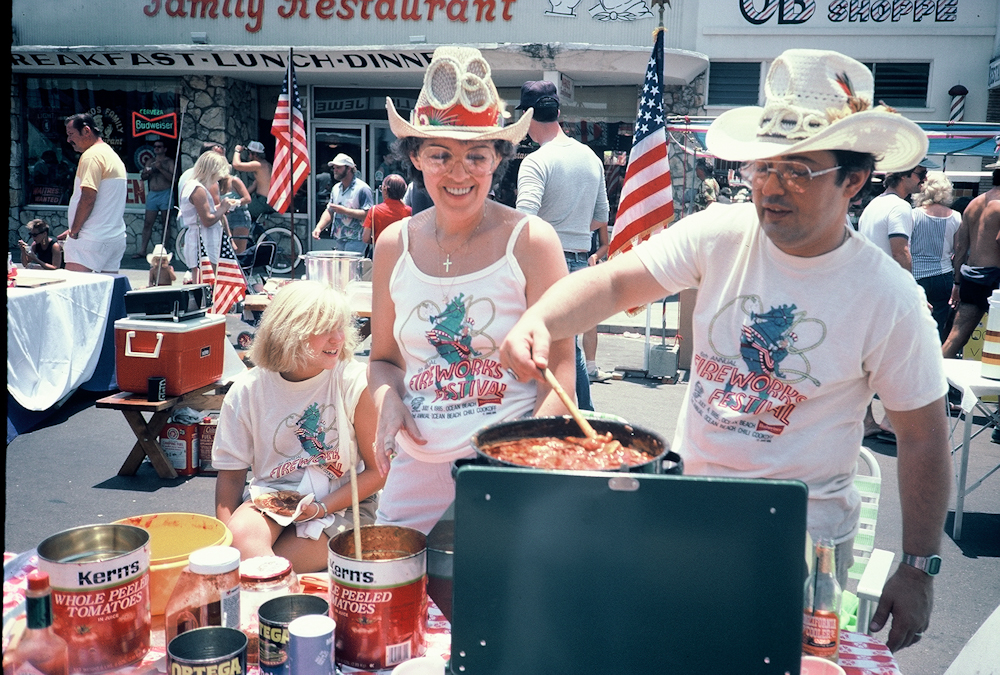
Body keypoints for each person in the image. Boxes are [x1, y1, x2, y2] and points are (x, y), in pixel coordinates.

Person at [500, 49, 949, 654]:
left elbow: (922, 434)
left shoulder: (890, 298)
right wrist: (539, 318)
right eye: (763, 168)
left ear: (854, 179)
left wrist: (918, 567)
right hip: (684, 511)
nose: (771, 187)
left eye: (798, 170)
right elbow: (616, 281)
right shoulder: (722, 231)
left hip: (799, 541)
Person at [369, 46, 575, 535]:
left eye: (475, 156)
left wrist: (518, 465)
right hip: (415, 469)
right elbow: (383, 360)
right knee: (397, 600)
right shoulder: (392, 245)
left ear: (497, 159)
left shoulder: (531, 241)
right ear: (416, 156)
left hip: (509, 464)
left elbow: (563, 373)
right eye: (440, 154)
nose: (458, 173)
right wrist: (387, 400)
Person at [212, 281, 383, 572]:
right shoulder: (248, 389)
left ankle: (278, 609)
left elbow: (379, 471)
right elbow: (230, 477)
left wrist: (321, 507)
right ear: (290, 332)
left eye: (341, 327)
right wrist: (225, 545)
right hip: (271, 497)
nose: (338, 338)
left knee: (280, 566)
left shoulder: (354, 382)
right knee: (244, 549)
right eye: (325, 329)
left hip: (343, 502)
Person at [514, 80, 612, 407]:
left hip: (545, 264)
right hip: (580, 260)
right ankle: (581, 417)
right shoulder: (591, 158)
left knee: (559, 348)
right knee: (567, 347)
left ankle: (582, 418)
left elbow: (524, 219)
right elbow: (601, 218)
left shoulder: (536, 162)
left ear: (527, 119)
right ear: (557, 112)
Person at [857, 160, 928, 439]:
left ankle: (868, 420)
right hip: (886, 292)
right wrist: (912, 292)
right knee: (904, 354)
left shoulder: (874, 204)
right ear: (904, 176)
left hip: (868, 289)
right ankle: (890, 419)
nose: (923, 180)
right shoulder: (900, 207)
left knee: (868, 359)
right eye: (920, 174)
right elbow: (900, 251)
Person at [942, 162, 1000, 358]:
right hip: (995, 279)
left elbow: (960, 247)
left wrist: (957, 283)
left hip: (971, 277)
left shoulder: (973, 204)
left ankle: (933, 385)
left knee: (955, 337)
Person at [58, 113, 127, 273]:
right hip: (113, 238)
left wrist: (74, 232)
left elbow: (88, 198)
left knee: (74, 293)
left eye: (71, 134)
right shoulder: (111, 155)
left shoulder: (91, 156)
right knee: (105, 294)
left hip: (90, 240)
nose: (68, 140)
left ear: (86, 130)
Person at [911, 171, 962, 342]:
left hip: (917, 276)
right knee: (938, 325)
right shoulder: (955, 217)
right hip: (943, 275)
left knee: (914, 323)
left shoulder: (914, 215)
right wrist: (957, 282)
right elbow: (958, 250)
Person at [179, 151, 233, 281]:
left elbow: (200, 212)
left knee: (203, 279)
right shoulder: (198, 189)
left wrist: (219, 208)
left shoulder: (191, 185)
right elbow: (207, 220)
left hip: (199, 237)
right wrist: (223, 208)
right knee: (210, 280)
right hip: (204, 239)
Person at [312, 154, 373, 254]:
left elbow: (368, 215)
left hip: (356, 238)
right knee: (341, 269)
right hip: (339, 238)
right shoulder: (336, 188)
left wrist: (344, 211)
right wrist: (319, 228)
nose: (335, 170)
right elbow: (329, 211)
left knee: (349, 269)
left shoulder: (362, 189)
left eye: (338, 167)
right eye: (334, 167)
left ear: (349, 168)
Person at [135, 140, 176, 259]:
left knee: (165, 222)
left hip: (165, 193)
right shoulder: (150, 161)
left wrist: (161, 169)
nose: (157, 148)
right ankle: (142, 250)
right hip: (153, 194)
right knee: (148, 223)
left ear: (165, 149)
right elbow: (142, 176)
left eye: (159, 146)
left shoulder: (169, 162)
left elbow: (173, 179)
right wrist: (149, 172)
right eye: (155, 146)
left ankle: (164, 250)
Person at [362, 173, 410, 248]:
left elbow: (366, 238)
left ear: (385, 190)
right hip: (401, 252)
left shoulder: (374, 210)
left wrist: (377, 240)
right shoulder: (409, 211)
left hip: (380, 251)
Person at [233, 141, 274, 222]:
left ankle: (241, 234)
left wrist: (237, 151)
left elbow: (236, 165)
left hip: (262, 201)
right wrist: (242, 196)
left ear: (255, 154)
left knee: (238, 212)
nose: (248, 156)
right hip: (266, 201)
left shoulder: (258, 165)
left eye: (249, 153)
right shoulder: (267, 165)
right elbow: (254, 185)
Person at [220, 172, 253, 254]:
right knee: (227, 251)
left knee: (238, 252)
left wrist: (234, 202)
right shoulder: (216, 184)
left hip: (239, 216)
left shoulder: (234, 181)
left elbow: (247, 198)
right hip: (224, 217)